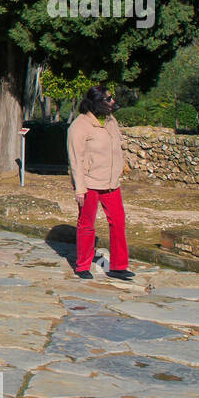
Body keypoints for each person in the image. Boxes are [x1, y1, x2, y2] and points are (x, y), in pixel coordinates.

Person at [67, 85, 134, 280]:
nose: (112, 102)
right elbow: (76, 160)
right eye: (108, 99)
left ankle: (119, 265)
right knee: (86, 224)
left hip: (111, 182)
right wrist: (79, 188)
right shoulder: (79, 126)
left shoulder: (111, 122)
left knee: (118, 221)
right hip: (89, 183)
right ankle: (82, 266)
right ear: (96, 102)